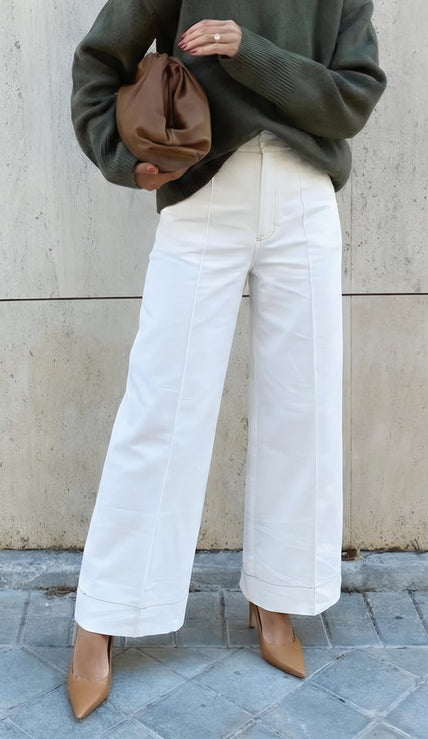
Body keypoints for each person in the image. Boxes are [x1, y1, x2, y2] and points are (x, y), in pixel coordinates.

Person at [67, 0, 387, 720]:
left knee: (303, 407)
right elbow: (99, 62)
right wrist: (125, 159)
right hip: (203, 191)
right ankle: (104, 613)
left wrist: (251, 53)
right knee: (161, 404)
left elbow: (353, 97)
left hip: (305, 196)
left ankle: (278, 596)